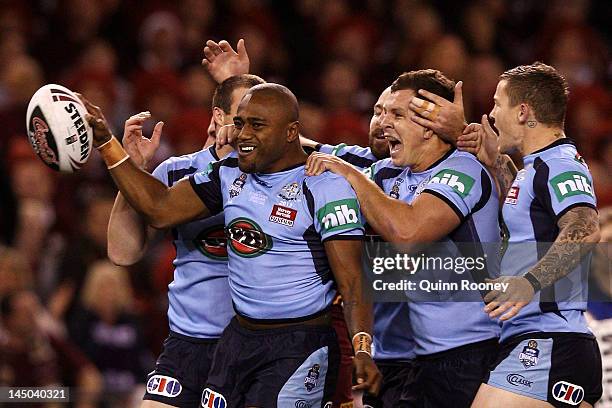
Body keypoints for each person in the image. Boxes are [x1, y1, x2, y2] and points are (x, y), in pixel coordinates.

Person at [80, 83, 381, 407]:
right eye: (239, 124)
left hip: (298, 345)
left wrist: (362, 348)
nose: (243, 135)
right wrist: (107, 144)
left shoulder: (327, 186)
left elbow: (353, 283)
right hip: (237, 340)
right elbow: (160, 208)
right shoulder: (227, 174)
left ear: (292, 132)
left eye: (257, 125)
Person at [306, 69, 501, 408]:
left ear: (429, 125)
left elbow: (408, 233)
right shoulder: (388, 172)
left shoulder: (465, 169)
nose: (384, 124)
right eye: (381, 112)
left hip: (470, 353)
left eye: (397, 114)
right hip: (417, 358)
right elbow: (306, 150)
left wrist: (348, 173)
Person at [107, 71, 264, 407]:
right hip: (188, 345)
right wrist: (133, 172)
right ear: (219, 117)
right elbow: (122, 252)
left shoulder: (278, 175)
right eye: (244, 112)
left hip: (253, 346)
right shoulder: (176, 172)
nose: (253, 122)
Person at [449, 63, 601, 408]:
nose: (491, 113)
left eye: (497, 103)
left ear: (522, 112)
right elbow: (531, 214)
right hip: (541, 342)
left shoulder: (560, 164)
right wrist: (496, 161)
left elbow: (586, 229)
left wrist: (528, 282)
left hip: (550, 341)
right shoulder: (534, 168)